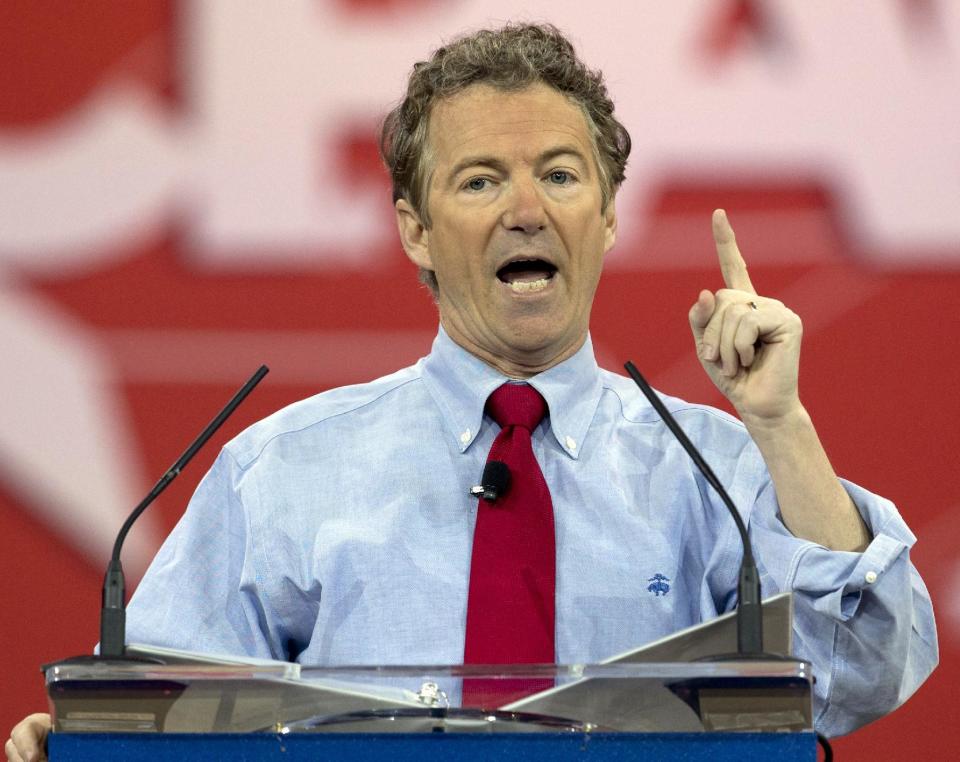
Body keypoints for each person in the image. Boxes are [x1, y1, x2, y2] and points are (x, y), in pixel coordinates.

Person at [6, 22, 937, 762]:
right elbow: (162, 722)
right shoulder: (282, 471)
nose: (526, 209)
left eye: (562, 176)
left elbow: (864, 675)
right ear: (414, 229)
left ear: (609, 216)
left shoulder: (716, 470)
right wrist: (90, 744)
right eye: (481, 179)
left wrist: (781, 424)